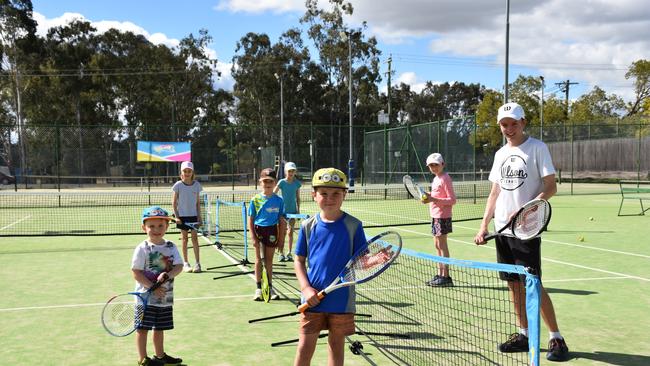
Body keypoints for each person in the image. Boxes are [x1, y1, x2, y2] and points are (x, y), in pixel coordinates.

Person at [473, 102, 569, 362]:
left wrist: (528, 209)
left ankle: (556, 338)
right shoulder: (500, 154)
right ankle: (524, 334)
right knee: (513, 285)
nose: (509, 128)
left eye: (514, 123)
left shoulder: (537, 148)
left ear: (523, 122)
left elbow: (551, 187)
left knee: (533, 285)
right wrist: (484, 226)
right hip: (502, 228)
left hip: (526, 230)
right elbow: (494, 193)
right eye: (504, 124)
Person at [293, 168, 368, 366]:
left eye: (336, 193)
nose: (330, 198)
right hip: (311, 300)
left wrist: (376, 260)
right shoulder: (307, 226)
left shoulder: (354, 225)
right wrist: (306, 288)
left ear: (344, 195)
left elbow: (361, 261)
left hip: (342, 301)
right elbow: (299, 260)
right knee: (304, 348)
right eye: (324, 193)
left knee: (336, 346)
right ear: (314, 195)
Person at [132, 206, 184, 366]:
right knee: (142, 329)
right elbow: (136, 272)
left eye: (161, 225)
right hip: (145, 299)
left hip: (164, 298)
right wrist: (151, 286)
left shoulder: (171, 246)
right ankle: (143, 360)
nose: (156, 229)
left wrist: (167, 275)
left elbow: (179, 266)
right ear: (144, 228)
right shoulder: (142, 248)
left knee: (159, 328)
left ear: (167, 227)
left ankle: (160, 356)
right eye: (151, 226)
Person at [248, 168, 286, 301]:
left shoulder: (279, 200)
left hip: (272, 231)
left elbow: (282, 220)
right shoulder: (255, 200)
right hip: (258, 230)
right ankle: (258, 288)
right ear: (260, 182)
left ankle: (270, 287)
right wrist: (253, 236)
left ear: (275, 183)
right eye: (265, 181)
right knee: (258, 260)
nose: (267, 183)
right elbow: (251, 220)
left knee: (269, 261)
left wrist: (281, 240)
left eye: (270, 181)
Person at [422, 153, 457, 287]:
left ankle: (446, 276)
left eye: (436, 164)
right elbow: (436, 195)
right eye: (431, 165)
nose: (434, 167)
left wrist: (433, 199)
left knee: (442, 246)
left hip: (443, 217)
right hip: (435, 216)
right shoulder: (436, 179)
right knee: (437, 245)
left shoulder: (445, 178)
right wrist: (428, 196)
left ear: (442, 164)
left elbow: (452, 200)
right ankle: (440, 274)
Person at [172, 161, 203, 273]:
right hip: (182, 217)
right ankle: (186, 263)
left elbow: (198, 203)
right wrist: (177, 217)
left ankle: (197, 264)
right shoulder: (178, 185)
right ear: (181, 172)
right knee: (184, 239)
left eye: (189, 171)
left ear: (192, 172)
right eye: (185, 171)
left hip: (193, 216)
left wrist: (200, 217)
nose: (187, 173)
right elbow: (174, 203)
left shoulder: (197, 185)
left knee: (195, 239)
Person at [274, 161, 302, 262]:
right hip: (282, 213)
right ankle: (281, 253)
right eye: (289, 171)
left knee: (290, 232)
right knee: (282, 233)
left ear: (295, 172)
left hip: (293, 212)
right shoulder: (281, 182)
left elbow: (298, 198)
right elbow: (274, 194)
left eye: (293, 171)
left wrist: (298, 211)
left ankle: (289, 253)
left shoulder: (297, 184)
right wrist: (277, 206)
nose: (291, 173)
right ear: (286, 171)